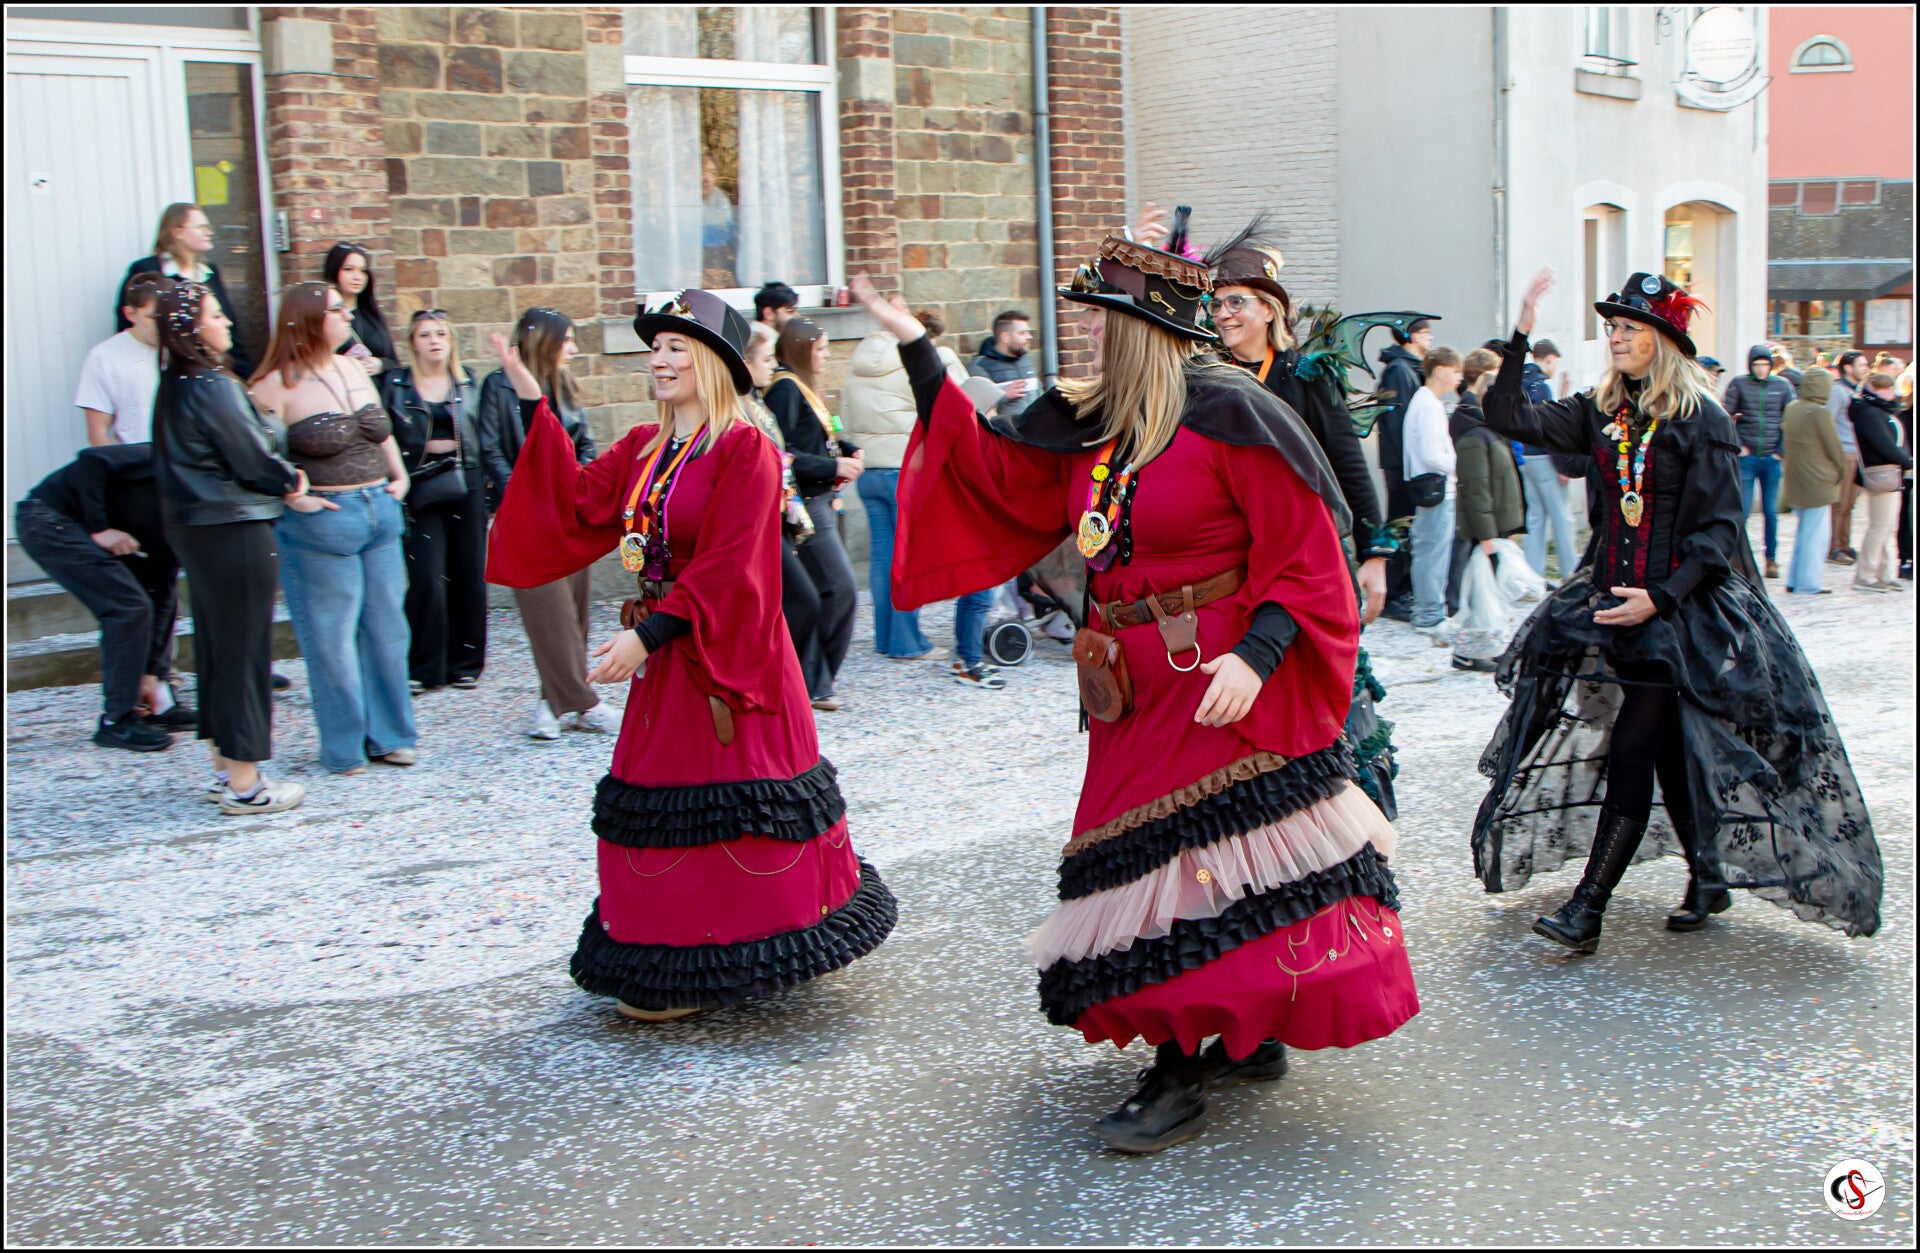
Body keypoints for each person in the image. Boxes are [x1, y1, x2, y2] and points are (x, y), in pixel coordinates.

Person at [870, 234, 1415, 1155]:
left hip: (1215, 680)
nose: (1090, 335)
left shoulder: (1232, 414)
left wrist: (1257, 657)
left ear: (1145, 329)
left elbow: (1306, 554)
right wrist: (918, 350)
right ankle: (1235, 1030)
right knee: (1157, 864)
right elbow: (994, 474)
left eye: (1103, 321)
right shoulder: (1101, 426)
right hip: (1126, 691)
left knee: (1205, 868)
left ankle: (1178, 1069)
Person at [484, 288, 896, 1020]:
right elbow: (576, 499)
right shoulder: (644, 445)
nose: (660, 359)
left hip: (729, 651)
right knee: (661, 804)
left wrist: (645, 636)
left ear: (713, 362)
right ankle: (669, 949)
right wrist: (528, 402)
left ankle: (749, 947)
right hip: (669, 650)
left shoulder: (746, 449)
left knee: (734, 800)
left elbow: (731, 564)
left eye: (677, 347)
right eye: (656, 348)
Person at [1472, 267, 1881, 952]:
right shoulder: (1601, 411)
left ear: (1662, 339)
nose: (1615, 337)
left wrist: (1660, 598)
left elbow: (1720, 531)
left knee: (1634, 747)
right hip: (1614, 603)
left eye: (1629, 327)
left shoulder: (1703, 420)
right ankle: (1709, 876)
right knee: (1662, 747)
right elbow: (1507, 416)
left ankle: (1587, 909)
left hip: (1677, 616)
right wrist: (1520, 334)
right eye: (1612, 327)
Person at [1198, 222, 1399, 816]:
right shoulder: (1206, 378)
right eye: (1216, 303)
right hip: (1241, 564)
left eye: (1236, 302)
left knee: (1327, 683)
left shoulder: (1306, 376)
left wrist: (1376, 556)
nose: (1223, 314)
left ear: (1268, 310)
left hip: (1314, 561)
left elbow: (1350, 468)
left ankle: (1355, 815)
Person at [151, 281, 308, 814]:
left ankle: (226, 767)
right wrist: (290, 479)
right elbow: (251, 457)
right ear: (191, 328)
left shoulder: (174, 383)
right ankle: (247, 785)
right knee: (244, 651)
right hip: (233, 524)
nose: (226, 323)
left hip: (198, 528)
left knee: (219, 647)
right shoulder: (212, 384)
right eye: (216, 315)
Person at [249, 283, 417, 775]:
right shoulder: (273, 385)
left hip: (379, 509)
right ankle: (344, 747)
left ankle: (391, 736)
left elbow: (380, 430)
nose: (347, 316)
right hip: (324, 521)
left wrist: (400, 476)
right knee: (332, 639)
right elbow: (254, 454)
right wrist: (292, 496)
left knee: (388, 630)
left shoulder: (352, 367)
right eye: (336, 310)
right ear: (306, 320)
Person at [476, 307, 616, 739]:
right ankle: (585, 701)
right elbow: (491, 448)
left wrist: (581, 487)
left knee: (573, 612)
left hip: (568, 513)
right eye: (567, 340)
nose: (573, 348)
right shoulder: (499, 386)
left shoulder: (565, 385)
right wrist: (522, 497)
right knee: (548, 612)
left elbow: (584, 444)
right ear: (547, 342)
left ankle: (552, 702)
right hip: (529, 517)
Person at [16, 442, 196, 750]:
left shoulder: (193, 514)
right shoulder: (172, 456)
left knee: (157, 599)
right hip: (49, 518)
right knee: (127, 606)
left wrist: (152, 673)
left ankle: (159, 703)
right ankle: (117, 721)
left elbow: (162, 590)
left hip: (81, 525)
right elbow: (92, 459)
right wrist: (100, 528)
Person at [842, 308, 966, 661]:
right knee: (908, 559)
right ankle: (906, 642)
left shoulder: (859, 360)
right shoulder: (927, 356)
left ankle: (885, 637)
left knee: (883, 558)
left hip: (870, 470)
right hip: (905, 470)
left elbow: (847, 417)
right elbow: (959, 404)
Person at [385, 308, 487, 690]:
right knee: (426, 575)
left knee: (468, 572)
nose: (434, 341)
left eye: (441, 334)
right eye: (426, 334)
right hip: (419, 481)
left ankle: (465, 663)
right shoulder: (395, 384)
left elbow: (485, 435)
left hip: (466, 480)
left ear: (451, 340)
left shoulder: (467, 382)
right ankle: (424, 665)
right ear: (413, 342)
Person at [765, 317, 862, 710]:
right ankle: (812, 680)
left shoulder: (802, 387)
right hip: (805, 504)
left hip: (822, 500)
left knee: (829, 592)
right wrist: (833, 465)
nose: (825, 356)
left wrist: (845, 449)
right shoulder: (785, 389)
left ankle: (814, 680)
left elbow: (817, 437)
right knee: (840, 590)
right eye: (820, 349)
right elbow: (783, 454)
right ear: (802, 349)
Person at [1448, 347, 1526, 672]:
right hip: (1487, 529)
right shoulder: (1473, 432)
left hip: (1495, 526)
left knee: (1487, 591)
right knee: (1480, 592)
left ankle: (1479, 648)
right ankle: (1468, 652)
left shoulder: (1485, 427)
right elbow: (1476, 487)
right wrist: (1486, 535)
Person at [119, 203, 252, 378]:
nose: (209, 232)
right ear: (177, 232)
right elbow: (129, 327)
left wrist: (242, 373)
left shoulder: (210, 272)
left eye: (208, 227)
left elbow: (230, 329)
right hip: (167, 375)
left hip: (215, 373)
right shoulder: (147, 270)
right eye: (201, 227)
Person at [1376, 317, 1435, 619]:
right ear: (1410, 336)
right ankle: (1392, 595)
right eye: (1426, 333)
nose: (1430, 338)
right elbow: (1397, 422)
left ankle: (1403, 589)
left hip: (1407, 461)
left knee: (1408, 526)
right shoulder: (1399, 370)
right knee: (1400, 525)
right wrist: (1410, 463)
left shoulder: (1410, 368)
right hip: (1402, 463)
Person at [1403, 345, 1462, 637]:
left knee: (1430, 550)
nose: (1460, 377)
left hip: (1435, 485)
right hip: (1437, 486)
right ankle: (1429, 614)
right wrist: (1457, 465)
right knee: (1432, 551)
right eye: (1455, 371)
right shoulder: (1427, 404)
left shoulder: (1426, 401)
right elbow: (1430, 453)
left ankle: (1428, 611)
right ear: (1439, 371)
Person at [1722, 343, 1794, 578]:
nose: (1761, 369)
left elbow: (1790, 419)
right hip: (1748, 457)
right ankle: (1738, 559)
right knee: (1742, 510)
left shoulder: (1782, 386)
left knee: (1770, 512)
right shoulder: (1739, 384)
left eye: (1765, 364)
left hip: (1771, 458)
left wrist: (1780, 451)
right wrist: (1739, 446)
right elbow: (1725, 416)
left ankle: (1771, 559)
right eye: (1757, 364)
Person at [79, 273, 172, 446]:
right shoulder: (103, 357)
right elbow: (98, 435)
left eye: (168, 316)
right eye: (153, 317)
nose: (162, 324)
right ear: (130, 314)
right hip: (138, 458)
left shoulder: (185, 349)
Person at [1778, 367, 1847, 594]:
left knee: (1803, 532)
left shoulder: (1792, 408)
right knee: (1815, 535)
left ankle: (1795, 579)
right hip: (1818, 479)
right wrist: (1841, 471)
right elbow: (1833, 447)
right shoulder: (1819, 412)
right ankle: (1808, 583)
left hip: (1797, 478)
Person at [1517, 338, 1580, 580]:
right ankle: (1570, 571)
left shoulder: (1521, 382)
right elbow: (1549, 427)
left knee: (1535, 518)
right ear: (1550, 359)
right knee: (1561, 517)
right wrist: (1562, 464)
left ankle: (1533, 575)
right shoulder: (1541, 387)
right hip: (1545, 457)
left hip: (1526, 456)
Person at [1849, 371, 1911, 592]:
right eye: (1888, 388)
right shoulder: (1869, 413)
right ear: (1876, 390)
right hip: (1881, 472)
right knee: (1879, 527)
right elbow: (1883, 444)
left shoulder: (1879, 410)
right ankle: (1865, 575)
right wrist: (1907, 461)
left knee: (1887, 526)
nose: (1893, 392)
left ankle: (1882, 573)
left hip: (1889, 472)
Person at [324, 242, 400, 377]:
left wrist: (380, 364)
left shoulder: (372, 315)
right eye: (348, 269)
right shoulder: (326, 317)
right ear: (335, 271)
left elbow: (394, 362)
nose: (357, 277)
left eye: (363, 271)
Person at [1827, 350, 1869, 564]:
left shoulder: (1858, 390)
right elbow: (1829, 421)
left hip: (1858, 453)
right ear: (1848, 368)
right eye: (1861, 365)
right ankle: (1833, 548)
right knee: (1839, 503)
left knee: (1850, 503)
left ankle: (1845, 544)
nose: (1865, 368)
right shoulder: (1837, 391)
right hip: (1844, 452)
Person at [968, 309, 1040, 418]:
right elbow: (974, 407)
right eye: (1022, 333)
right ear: (1005, 337)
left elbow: (1040, 396)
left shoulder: (1026, 361)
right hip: (1004, 428)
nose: (1029, 337)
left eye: (1028, 332)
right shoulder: (979, 367)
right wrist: (1003, 395)